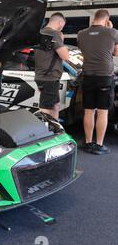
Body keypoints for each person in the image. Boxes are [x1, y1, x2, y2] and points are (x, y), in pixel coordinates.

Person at [77, 9, 118, 155]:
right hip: (104, 77)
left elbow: (84, 51)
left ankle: (88, 142)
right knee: (102, 112)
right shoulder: (112, 32)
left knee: (89, 111)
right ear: (107, 19)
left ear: (94, 18)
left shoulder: (81, 34)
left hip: (88, 76)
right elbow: (116, 52)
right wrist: (109, 29)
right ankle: (99, 145)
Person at [35, 12, 70, 120]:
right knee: (46, 108)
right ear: (60, 22)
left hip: (42, 75)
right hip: (49, 77)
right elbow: (65, 56)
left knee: (55, 106)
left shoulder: (40, 33)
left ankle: (54, 129)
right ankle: (45, 132)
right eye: (62, 25)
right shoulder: (53, 34)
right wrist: (61, 40)